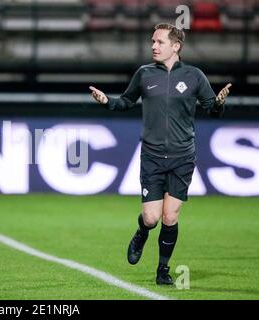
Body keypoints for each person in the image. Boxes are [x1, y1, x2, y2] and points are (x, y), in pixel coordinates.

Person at [89, 23, 231, 285]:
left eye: (159, 42)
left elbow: (212, 108)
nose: (153, 46)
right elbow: (126, 102)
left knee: (170, 216)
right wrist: (108, 102)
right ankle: (142, 231)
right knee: (153, 218)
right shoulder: (144, 74)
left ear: (175, 46)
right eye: (152, 42)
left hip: (182, 157)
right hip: (152, 157)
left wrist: (220, 104)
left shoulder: (194, 76)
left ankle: (162, 270)